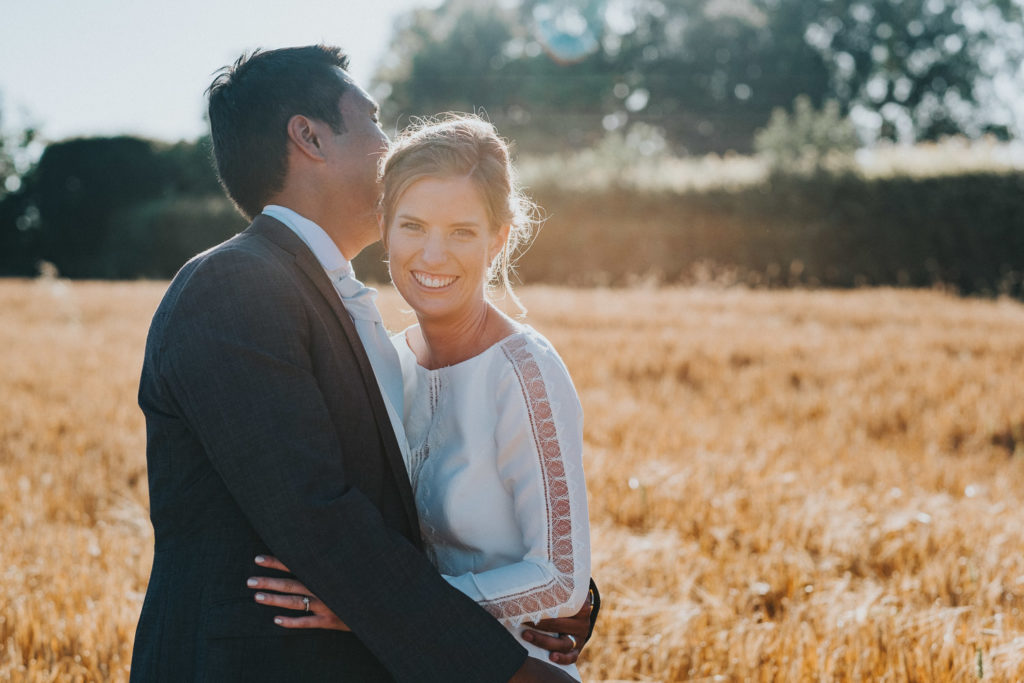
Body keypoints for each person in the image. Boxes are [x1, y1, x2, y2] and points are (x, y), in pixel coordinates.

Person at [130, 45, 593, 682]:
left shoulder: (338, 302)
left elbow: (407, 521)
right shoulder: (234, 284)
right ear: (310, 137)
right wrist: (515, 672)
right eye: (373, 120)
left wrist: (549, 596)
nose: (390, 140)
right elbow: (321, 517)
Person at [248, 115, 593, 680]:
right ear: (384, 227)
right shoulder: (387, 358)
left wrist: (376, 611)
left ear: (498, 238)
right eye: (413, 226)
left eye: (462, 231)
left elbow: (560, 579)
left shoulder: (525, 373)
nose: (433, 256)